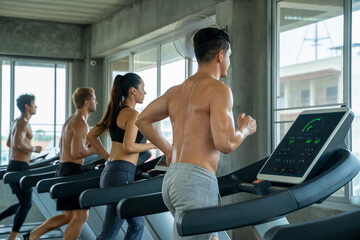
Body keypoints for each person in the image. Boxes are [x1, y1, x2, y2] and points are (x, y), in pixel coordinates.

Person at [135, 28, 257, 240]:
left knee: (214, 237)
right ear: (221, 55)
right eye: (229, 56)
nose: (229, 60)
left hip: (172, 179)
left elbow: (142, 120)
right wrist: (245, 128)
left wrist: (169, 150)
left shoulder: (176, 91)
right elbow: (225, 143)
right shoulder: (218, 89)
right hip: (195, 182)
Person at [23, 88, 99, 240]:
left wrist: (86, 147)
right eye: (94, 99)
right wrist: (95, 150)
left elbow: (67, 147)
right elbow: (77, 153)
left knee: (69, 215)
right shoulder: (81, 123)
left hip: (64, 168)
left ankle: (32, 236)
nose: (96, 102)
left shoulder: (71, 120)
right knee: (81, 215)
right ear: (86, 102)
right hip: (72, 171)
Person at [87, 73, 156, 240]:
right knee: (118, 229)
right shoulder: (132, 114)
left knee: (130, 225)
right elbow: (129, 146)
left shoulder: (114, 112)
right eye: (142, 88)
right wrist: (155, 144)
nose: (144, 92)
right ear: (133, 90)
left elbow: (91, 136)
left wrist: (108, 156)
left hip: (112, 171)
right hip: (121, 175)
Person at [0, 94, 42, 240]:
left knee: (24, 203)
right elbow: (17, 144)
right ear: (27, 106)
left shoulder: (16, 122)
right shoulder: (23, 123)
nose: (36, 106)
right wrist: (34, 149)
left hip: (14, 165)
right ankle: (12, 238)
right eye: (34, 103)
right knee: (26, 204)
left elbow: (9, 143)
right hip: (20, 167)